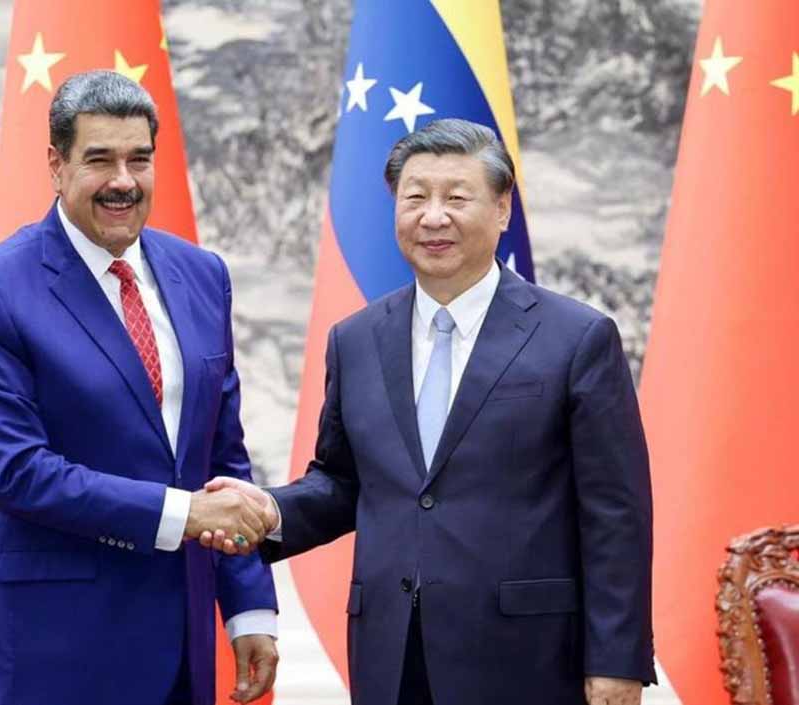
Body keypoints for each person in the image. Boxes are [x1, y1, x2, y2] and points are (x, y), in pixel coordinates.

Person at [205, 118, 655, 705]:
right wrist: (270, 511)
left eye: (457, 198)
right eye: (415, 198)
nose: (433, 217)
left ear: (501, 209)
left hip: (529, 657)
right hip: (393, 655)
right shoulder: (356, 340)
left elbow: (615, 513)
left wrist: (617, 661)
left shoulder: (576, 338)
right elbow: (344, 482)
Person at [0, 70, 277, 705]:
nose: (123, 180)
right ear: (56, 165)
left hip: (183, 652)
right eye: (99, 160)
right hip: (55, 655)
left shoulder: (203, 275)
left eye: (139, 159)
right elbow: (16, 472)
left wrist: (249, 607)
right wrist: (184, 515)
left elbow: (221, 459)